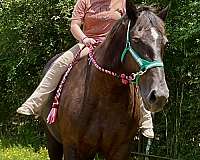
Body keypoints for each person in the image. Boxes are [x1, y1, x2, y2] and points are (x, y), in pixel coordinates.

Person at [17, 0, 154, 139]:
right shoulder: (84, 1)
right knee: (60, 63)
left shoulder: (122, 2)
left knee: (133, 72)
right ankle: (35, 101)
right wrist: (84, 38)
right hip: (89, 44)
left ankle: (145, 120)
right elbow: (74, 25)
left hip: (114, 50)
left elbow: (131, 26)